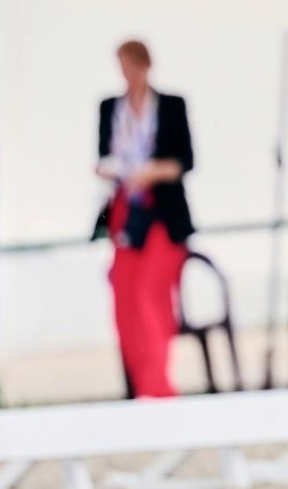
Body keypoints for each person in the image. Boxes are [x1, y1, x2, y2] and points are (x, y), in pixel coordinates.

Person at [93, 40, 194, 398]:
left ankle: (158, 383)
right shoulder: (110, 107)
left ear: (145, 65)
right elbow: (103, 158)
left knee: (152, 293)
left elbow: (185, 161)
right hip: (126, 211)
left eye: (132, 65)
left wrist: (153, 171)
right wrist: (114, 170)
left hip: (163, 212)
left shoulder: (170, 105)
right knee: (124, 294)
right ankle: (138, 384)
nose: (127, 73)